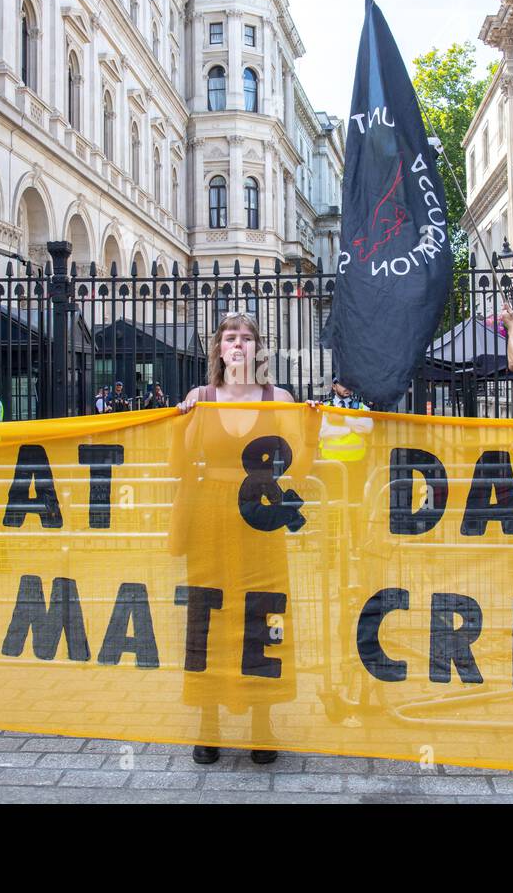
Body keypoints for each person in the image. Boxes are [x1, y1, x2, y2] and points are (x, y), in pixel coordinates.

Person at [172, 312, 313, 767]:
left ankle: (261, 722)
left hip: (260, 522)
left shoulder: (280, 398)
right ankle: (207, 722)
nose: (238, 344)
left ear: (258, 348)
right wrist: (179, 422)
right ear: (218, 348)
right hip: (210, 520)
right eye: (230, 337)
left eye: (246, 338)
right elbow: (177, 463)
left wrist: (309, 428)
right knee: (206, 617)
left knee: (264, 612)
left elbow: (300, 468)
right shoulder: (200, 397)